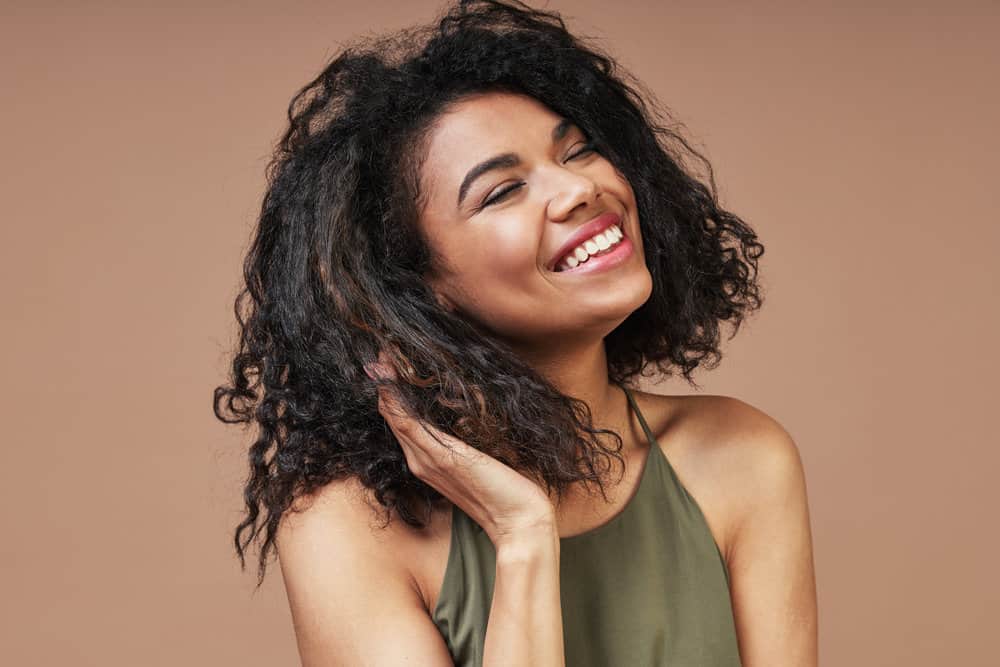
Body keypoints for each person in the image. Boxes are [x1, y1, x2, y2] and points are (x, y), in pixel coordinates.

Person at [213, 0, 818, 664]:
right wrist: (522, 532)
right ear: (414, 290)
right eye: (502, 191)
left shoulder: (741, 459)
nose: (578, 188)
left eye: (579, 149)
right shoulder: (348, 528)